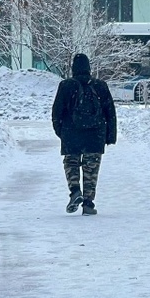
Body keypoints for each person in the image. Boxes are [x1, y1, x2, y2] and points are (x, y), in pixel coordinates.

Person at [52, 53, 117, 216]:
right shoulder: (100, 86)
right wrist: (110, 136)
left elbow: (56, 112)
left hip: (71, 132)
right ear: (89, 68)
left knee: (71, 163)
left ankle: (75, 191)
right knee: (91, 169)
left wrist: (61, 132)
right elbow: (110, 112)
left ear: (74, 69)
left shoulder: (66, 86)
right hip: (95, 135)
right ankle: (88, 203)